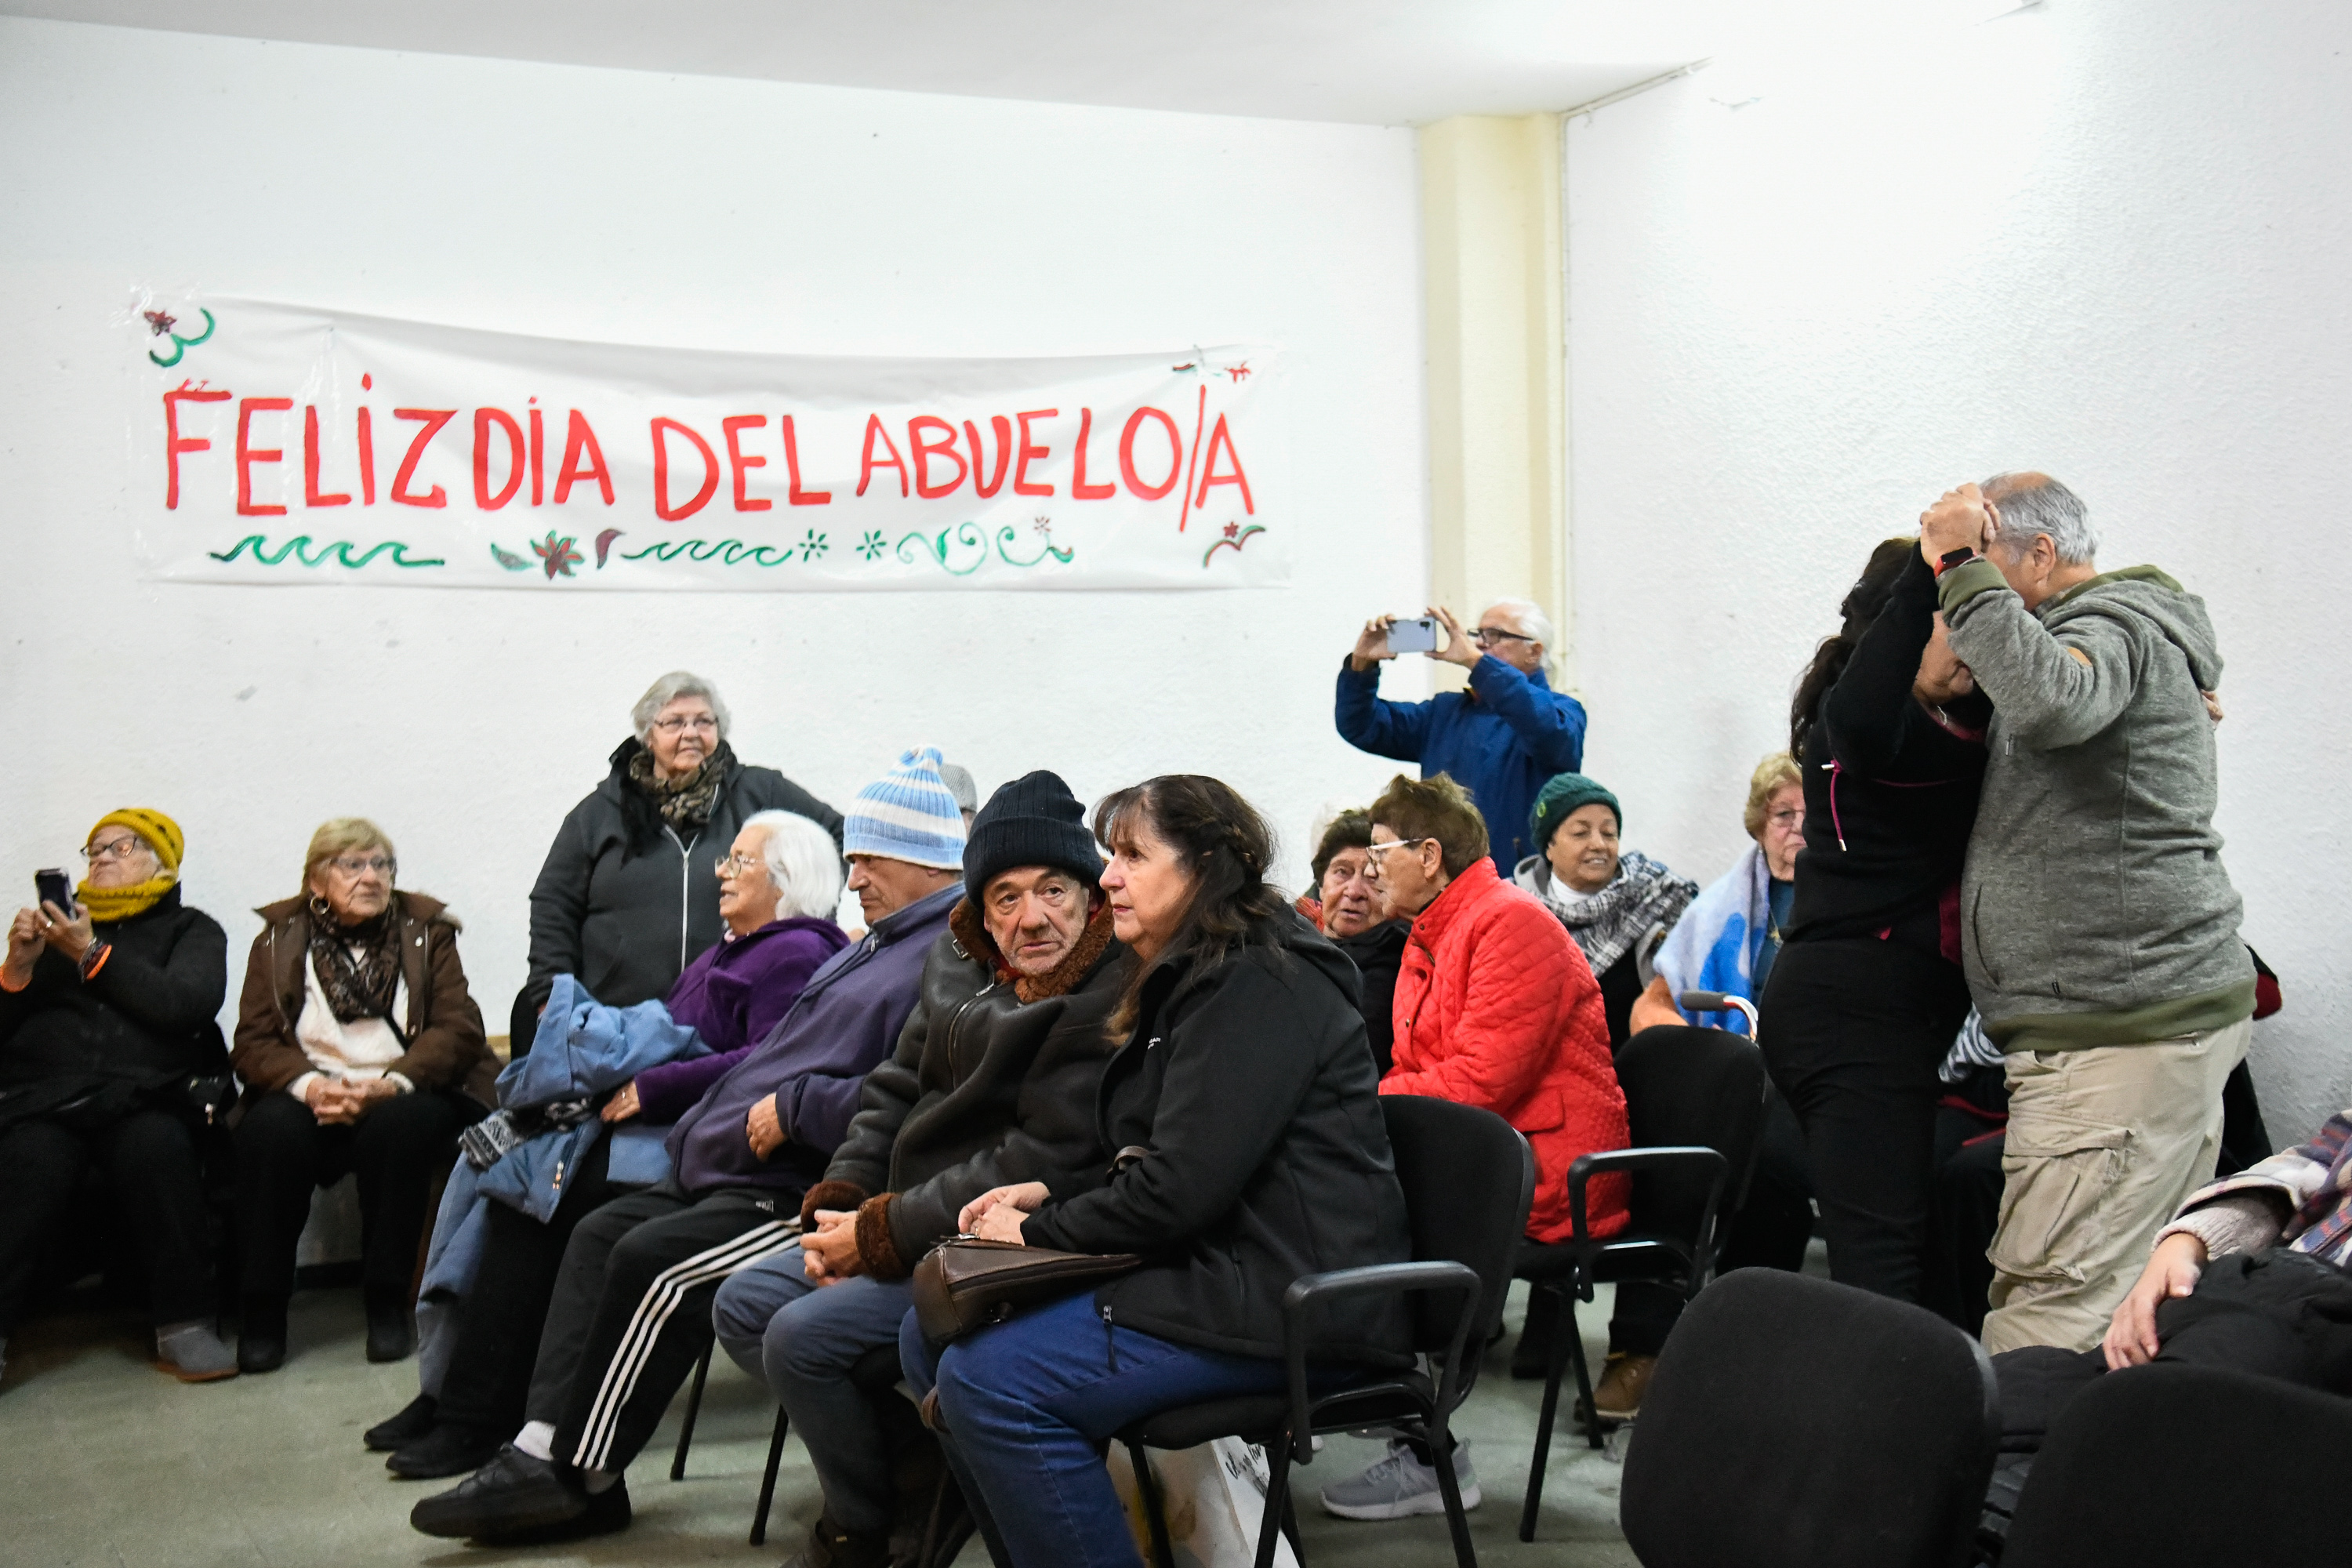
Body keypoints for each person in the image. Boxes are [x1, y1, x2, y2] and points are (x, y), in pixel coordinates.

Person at [410, 747, 966, 1544]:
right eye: (850, 862)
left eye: (868, 858)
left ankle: (578, 1472)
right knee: (596, 1229)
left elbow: (909, 1093)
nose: (854, 879)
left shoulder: (935, 956)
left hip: (801, 1182)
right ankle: (539, 1439)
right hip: (734, 1161)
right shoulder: (873, 945)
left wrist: (795, 1106)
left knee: (655, 1262)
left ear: (921, 859)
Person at [898, 775, 1412, 1568]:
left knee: (992, 1380)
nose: (1109, 875)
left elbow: (1181, 1188)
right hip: (1226, 1261)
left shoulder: (1261, 982)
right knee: (929, 1331)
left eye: (1132, 854)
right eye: (1112, 854)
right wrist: (1053, 1193)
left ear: (1207, 865)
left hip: (1295, 1293)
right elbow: (1165, 1153)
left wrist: (1036, 1229)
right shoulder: (1198, 971)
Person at [711, 771, 1125, 1568]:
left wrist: (876, 1235)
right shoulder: (957, 957)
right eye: (1005, 895)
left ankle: (865, 1527)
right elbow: (893, 1089)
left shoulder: (1105, 989)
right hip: (906, 1216)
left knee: (799, 1336)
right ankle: (930, 1470)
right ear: (979, 904)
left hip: (995, 1241)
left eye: (1053, 889)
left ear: (1089, 891)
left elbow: (1035, 1158)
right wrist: (840, 1202)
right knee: (743, 1302)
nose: (1031, 917)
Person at [368, 809, 846, 1479]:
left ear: (787, 879)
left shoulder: (797, 952)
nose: (722, 872)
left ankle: (477, 1416)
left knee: (536, 1197)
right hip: (669, 1127)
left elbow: (765, 1060)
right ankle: (454, 1394)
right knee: (503, 1176)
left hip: (711, 1147)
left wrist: (655, 1086)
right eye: (726, 858)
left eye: (740, 861)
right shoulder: (730, 949)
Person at [1922, 475, 2253, 1355]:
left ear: (2039, 554)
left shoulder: (2111, 625)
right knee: (2121, 1316)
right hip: (2134, 1026)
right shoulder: (2116, 635)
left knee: (2048, 1313)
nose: (1958, 593)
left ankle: (2023, 1494)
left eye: (1983, 560)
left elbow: (2055, 701)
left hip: (2117, 1038)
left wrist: (1959, 562)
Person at [1318, 771, 1629, 1518]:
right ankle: (1376, 1408)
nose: (1367, 870)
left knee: (1353, 1227)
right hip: (1493, 1160)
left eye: (1380, 853)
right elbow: (1420, 1075)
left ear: (1429, 856)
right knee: (1321, 1199)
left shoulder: (1509, 924)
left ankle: (1426, 1451)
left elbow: (1477, 1085)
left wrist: (1356, 1104)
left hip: (1549, 1176)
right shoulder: (1436, 932)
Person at [1758, 537, 1988, 1306]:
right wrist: (1937, 563)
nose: (1975, 643)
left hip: (1868, 1007)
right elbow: (1868, 714)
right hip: (1852, 1014)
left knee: (1905, 1255)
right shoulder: (1867, 728)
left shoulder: (1932, 724)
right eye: (1953, 619)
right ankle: (1872, 1426)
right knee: (1880, 1273)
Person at [230, 818, 494, 1374]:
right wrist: (310, 1086)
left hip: (404, 1083)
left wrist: (392, 1082)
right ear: (317, 881)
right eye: (352, 865)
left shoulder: (428, 932)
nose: (371, 877)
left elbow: (459, 1028)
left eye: (382, 865)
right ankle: (262, 1311)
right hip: (308, 1087)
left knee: (403, 1127)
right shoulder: (279, 940)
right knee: (270, 1134)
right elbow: (253, 1042)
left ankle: (386, 1302)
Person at [0, 810, 233, 1384]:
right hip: (48, 1100)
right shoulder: (55, 934)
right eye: (94, 850)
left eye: (121, 847)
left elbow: (185, 1004)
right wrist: (16, 970)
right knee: (28, 1164)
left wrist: (92, 955)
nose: (101, 858)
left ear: (162, 862)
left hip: (146, 1097)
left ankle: (185, 1326)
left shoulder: (192, 930)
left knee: (158, 1152)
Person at [513, 670, 844, 1046]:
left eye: (704, 721)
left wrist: (813, 917)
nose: (691, 733)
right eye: (674, 722)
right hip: (615, 1025)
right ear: (648, 735)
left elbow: (838, 836)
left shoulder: (758, 792)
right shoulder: (600, 814)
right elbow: (552, 903)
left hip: (723, 1022)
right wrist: (549, 997)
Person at [1336, 599, 1588, 874]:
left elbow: (1547, 730)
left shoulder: (1563, 711)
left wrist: (1477, 664)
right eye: (1478, 635)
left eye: (1495, 635)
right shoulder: (1446, 712)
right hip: (1443, 881)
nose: (1479, 644)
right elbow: (1361, 725)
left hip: (1516, 882)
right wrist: (1361, 666)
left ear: (1534, 651)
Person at [1515, 772, 1697, 1050]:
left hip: (1644, 1079)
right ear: (1549, 848)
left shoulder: (1659, 899)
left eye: (1609, 833)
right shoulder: (1513, 914)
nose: (1599, 844)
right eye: (1581, 833)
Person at [1628, 752, 1805, 1037]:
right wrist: (1697, 1048)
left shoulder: (1840, 898)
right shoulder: (1715, 910)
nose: (1799, 826)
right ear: (1760, 827)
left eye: (1812, 815)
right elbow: (1653, 1005)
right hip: (1734, 1063)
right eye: (1784, 814)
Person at [1309, 809, 1409, 1074]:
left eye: (1371, 877)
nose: (1354, 892)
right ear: (1320, 883)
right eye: (1342, 872)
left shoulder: (1393, 965)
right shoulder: (1288, 940)